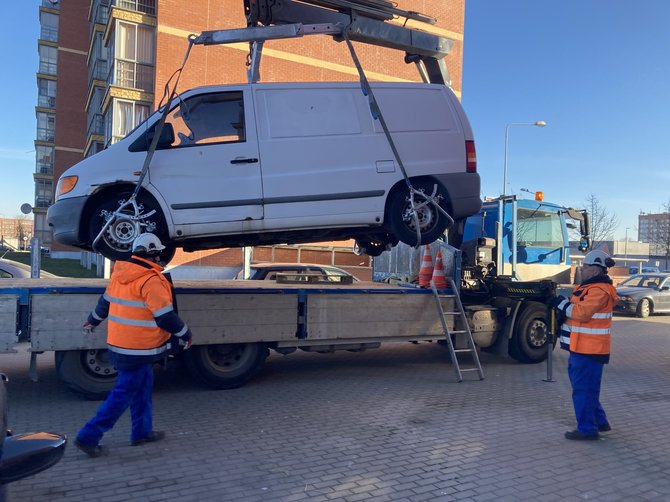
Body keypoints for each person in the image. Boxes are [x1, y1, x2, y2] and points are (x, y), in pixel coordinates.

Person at [74, 233, 192, 457]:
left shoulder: (120, 274)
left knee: (143, 387)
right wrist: (185, 334)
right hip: (138, 349)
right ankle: (88, 437)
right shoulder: (151, 280)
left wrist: (92, 320)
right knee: (123, 394)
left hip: (120, 345)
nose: (161, 259)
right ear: (153, 255)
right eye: (159, 254)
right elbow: (165, 317)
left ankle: (141, 432)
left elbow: (104, 304)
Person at [552, 249, 618, 441]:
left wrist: (561, 305)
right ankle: (600, 422)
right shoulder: (589, 288)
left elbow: (582, 313)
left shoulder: (599, 290)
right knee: (586, 389)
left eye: (586, 267)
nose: (582, 269)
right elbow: (578, 310)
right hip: (581, 348)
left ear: (596, 270)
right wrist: (564, 304)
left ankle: (587, 429)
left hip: (590, 350)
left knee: (583, 390)